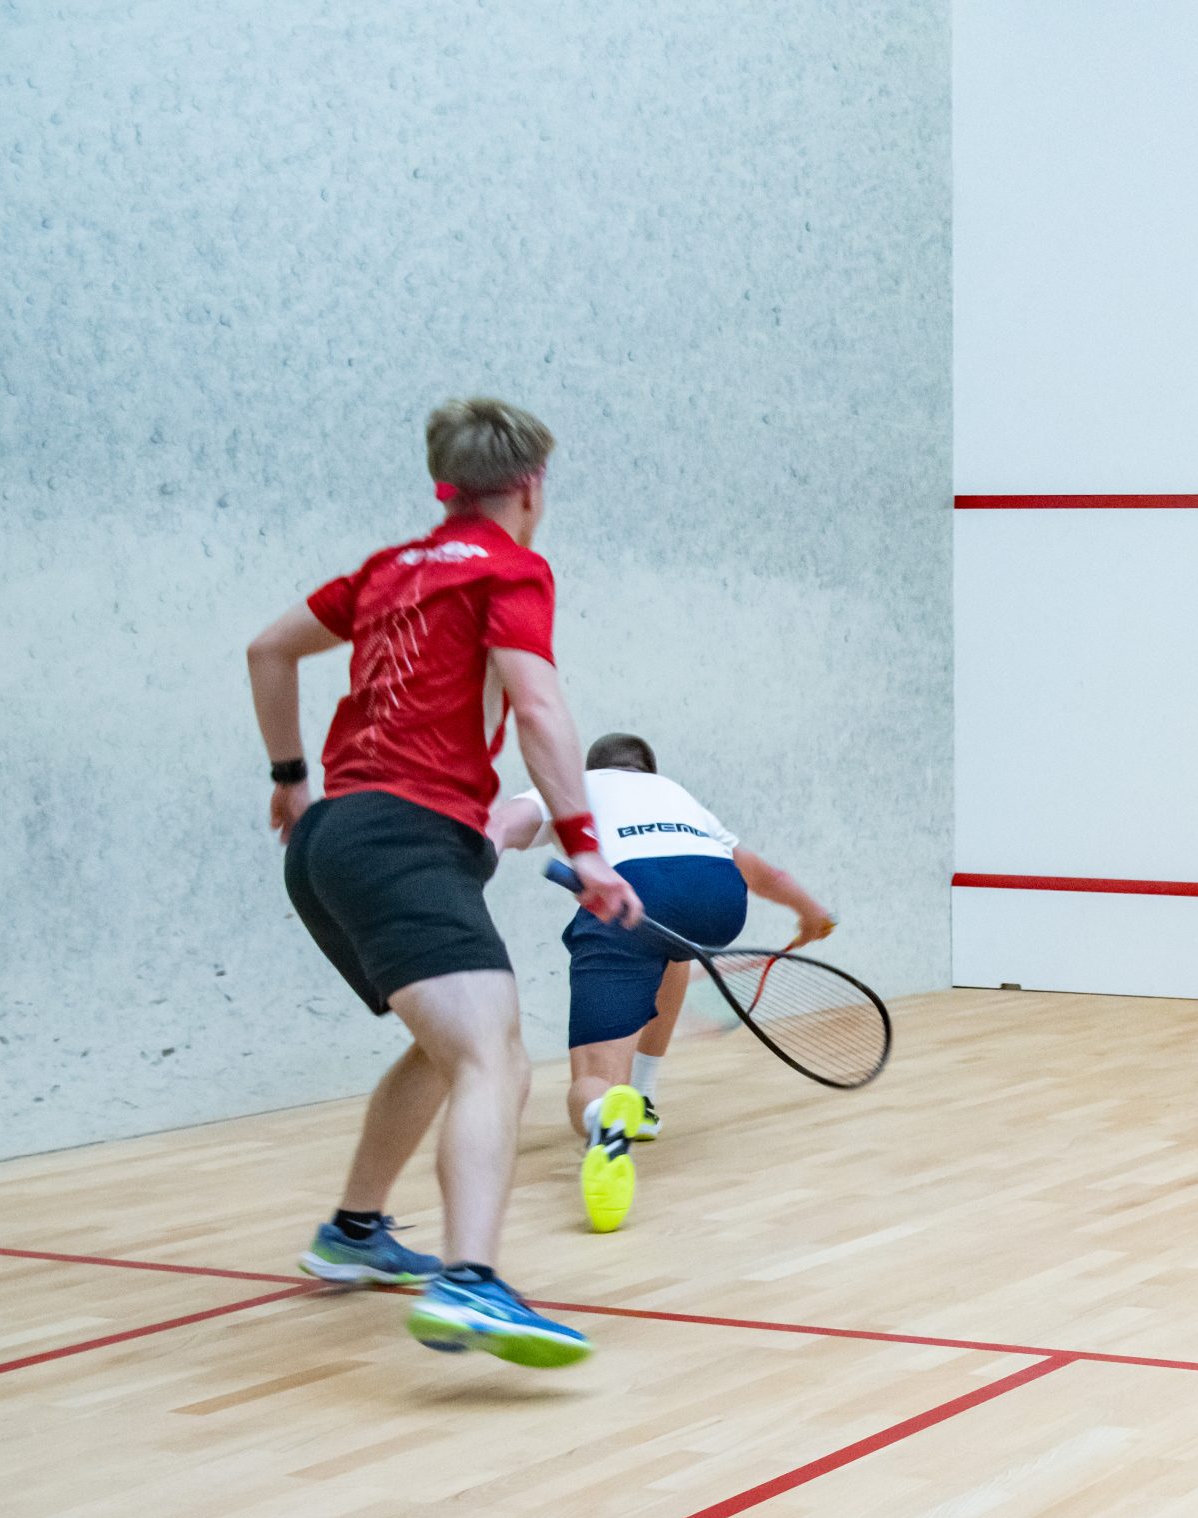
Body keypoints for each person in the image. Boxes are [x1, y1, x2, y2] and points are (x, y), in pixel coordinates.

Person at [245, 397, 638, 1367]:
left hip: (329, 841)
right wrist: (586, 844)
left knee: (446, 1048)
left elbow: (268, 649)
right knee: (495, 1060)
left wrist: (290, 778)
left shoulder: (388, 569)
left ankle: (355, 1232)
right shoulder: (510, 568)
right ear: (531, 487)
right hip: (403, 839)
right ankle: (471, 1282)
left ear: (445, 485)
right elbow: (538, 706)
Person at [487, 734, 834, 1231]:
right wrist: (811, 913)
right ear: (647, 771)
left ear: (593, 767)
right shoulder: (675, 794)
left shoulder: (576, 783)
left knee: (593, 1078)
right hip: (718, 896)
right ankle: (643, 1101)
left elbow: (501, 824)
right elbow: (765, 874)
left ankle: (604, 1117)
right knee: (673, 947)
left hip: (635, 891)